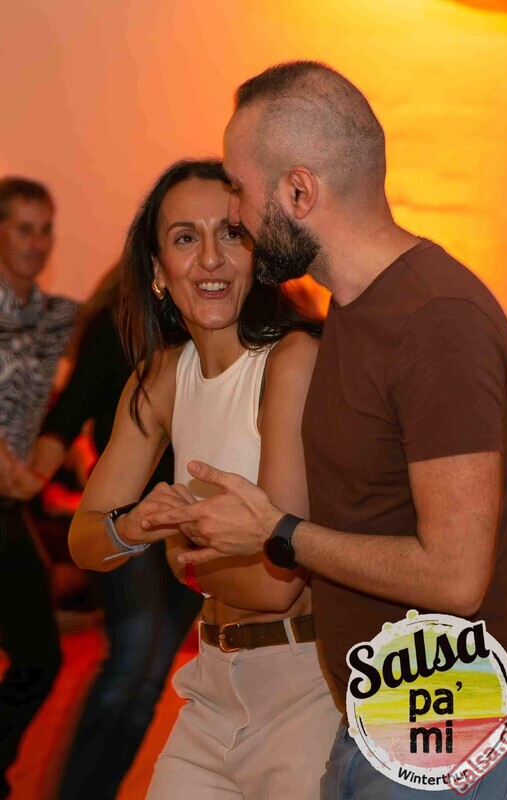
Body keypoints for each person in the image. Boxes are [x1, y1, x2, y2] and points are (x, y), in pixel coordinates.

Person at [134, 63, 507, 799]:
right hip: (377, 720)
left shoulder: (436, 322)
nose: (236, 213)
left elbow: (455, 576)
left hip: (451, 735)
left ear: (298, 192)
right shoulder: (355, 309)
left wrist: (277, 531)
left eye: (240, 190)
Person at [68, 159, 340, 800]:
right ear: (158, 270)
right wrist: (132, 526)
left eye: (233, 233)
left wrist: (173, 543)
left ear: (259, 256)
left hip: (303, 689)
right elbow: (86, 540)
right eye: (186, 238)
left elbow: (276, 583)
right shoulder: (160, 377)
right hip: (211, 685)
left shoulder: (292, 359)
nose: (211, 258)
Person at [26, 263, 202, 800]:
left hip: (192, 526)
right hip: (126, 518)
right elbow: (68, 413)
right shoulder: (120, 325)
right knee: (133, 660)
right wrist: (24, 483)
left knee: (147, 681)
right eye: (183, 238)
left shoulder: (216, 330)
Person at [0, 177, 78, 799]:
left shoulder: (57, 317)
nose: (37, 242)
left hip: (10, 504)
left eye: (46, 228)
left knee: (39, 658)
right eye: (24, 228)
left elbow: (103, 358)